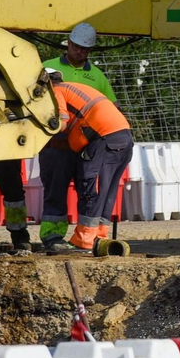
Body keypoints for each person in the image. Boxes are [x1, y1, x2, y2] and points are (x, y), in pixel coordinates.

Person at [39, 72, 134, 254]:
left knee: (91, 188)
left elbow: (61, 122)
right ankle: (99, 238)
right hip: (122, 138)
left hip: (103, 139)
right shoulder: (74, 88)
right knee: (106, 190)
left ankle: (83, 242)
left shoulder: (56, 91)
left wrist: (42, 131)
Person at [45, 22, 116, 101]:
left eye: (84, 48)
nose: (79, 51)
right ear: (69, 43)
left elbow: (113, 107)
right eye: (76, 46)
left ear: (90, 49)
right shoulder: (47, 67)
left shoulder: (98, 77)